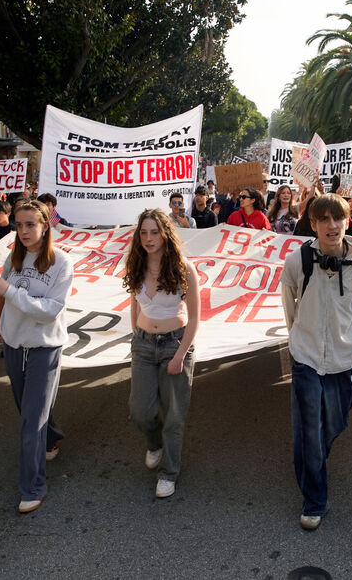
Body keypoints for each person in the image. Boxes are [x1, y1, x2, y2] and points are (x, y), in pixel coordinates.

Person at [280, 193, 352, 531]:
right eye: (323, 219)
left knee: (333, 423)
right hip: (305, 356)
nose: (331, 226)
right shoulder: (298, 261)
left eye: (337, 219)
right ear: (313, 224)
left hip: (342, 357)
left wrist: (350, 338)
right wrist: (298, 339)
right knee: (308, 429)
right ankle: (314, 498)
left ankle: (315, 458)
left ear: (347, 221)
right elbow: (289, 304)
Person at [0, 200, 72, 513]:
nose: (23, 231)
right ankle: (51, 440)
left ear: (45, 226)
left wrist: (9, 292)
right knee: (27, 409)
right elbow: (4, 295)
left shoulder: (61, 262)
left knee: (30, 422)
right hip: (13, 346)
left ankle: (32, 487)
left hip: (44, 348)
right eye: (18, 225)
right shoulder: (13, 257)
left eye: (30, 225)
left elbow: (50, 311)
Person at [123, 208, 200, 499]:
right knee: (140, 411)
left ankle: (168, 473)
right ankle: (153, 444)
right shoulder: (136, 264)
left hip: (175, 345)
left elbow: (194, 318)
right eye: (143, 232)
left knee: (174, 415)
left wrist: (180, 355)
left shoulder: (184, 268)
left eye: (154, 231)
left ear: (166, 233)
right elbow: (134, 304)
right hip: (143, 345)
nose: (148, 238)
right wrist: (136, 336)